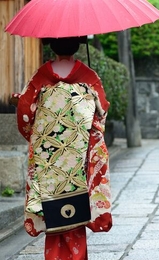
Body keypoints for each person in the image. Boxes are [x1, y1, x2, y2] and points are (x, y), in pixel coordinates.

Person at [11, 37, 112, 260]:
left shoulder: (41, 76)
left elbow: (25, 115)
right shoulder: (88, 76)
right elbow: (102, 113)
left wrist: (41, 139)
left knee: (53, 211)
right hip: (79, 156)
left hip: (49, 155)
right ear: (77, 46)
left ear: (51, 46)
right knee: (77, 209)